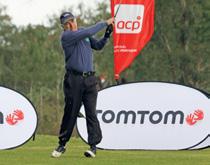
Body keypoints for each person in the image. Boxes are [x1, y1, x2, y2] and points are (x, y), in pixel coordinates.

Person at [51, 12, 114, 158]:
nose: (70, 25)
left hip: (90, 80)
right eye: (66, 24)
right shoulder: (66, 37)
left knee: (91, 113)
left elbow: (97, 46)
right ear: (63, 26)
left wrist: (106, 35)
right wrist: (105, 22)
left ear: (75, 20)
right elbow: (89, 31)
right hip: (74, 80)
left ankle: (93, 146)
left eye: (71, 21)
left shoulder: (83, 33)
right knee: (71, 112)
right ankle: (62, 144)